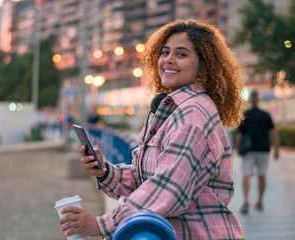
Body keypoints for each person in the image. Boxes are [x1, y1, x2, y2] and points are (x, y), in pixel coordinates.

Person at [59, 20, 245, 240]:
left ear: (203, 66)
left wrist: (103, 225)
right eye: (165, 52)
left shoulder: (193, 114)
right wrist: (106, 173)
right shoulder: (173, 110)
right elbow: (146, 181)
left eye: (181, 54)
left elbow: (168, 189)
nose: (168, 60)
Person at [235, 90, 280, 214]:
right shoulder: (266, 115)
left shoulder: (245, 114)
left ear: (250, 100)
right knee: (261, 176)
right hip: (263, 150)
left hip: (249, 151)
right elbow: (274, 132)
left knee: (246, 176)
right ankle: (259, 201)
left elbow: (239, 133)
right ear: (258, 100)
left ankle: (245, 202)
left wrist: (238, 148)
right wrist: (276, 149)